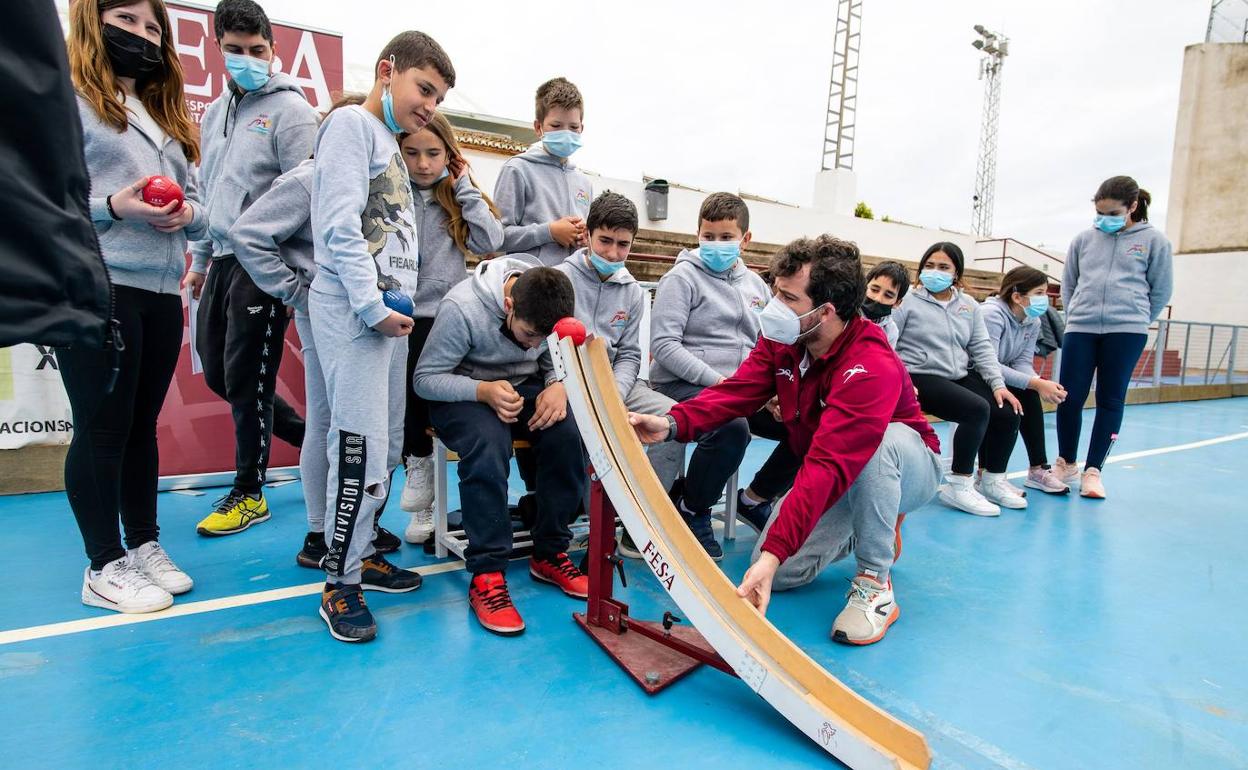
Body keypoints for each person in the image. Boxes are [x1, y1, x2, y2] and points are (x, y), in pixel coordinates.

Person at [630, 235, 942, 645]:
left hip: (908, 467)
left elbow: (826, 465)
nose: (772, 304)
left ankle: (874, 581)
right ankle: (873, 520)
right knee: (779, 571)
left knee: (878, 447)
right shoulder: (786, 336)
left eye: (787, 296)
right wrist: (672, 423)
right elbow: (739, 390)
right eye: (775, 290)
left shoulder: (870, 366)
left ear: (825, 311)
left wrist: (777, 550)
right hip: (843, 469)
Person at [309, 31, 456, 643]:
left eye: (439, 96)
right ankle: (338, 583)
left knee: (390, 443)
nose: (429, 104)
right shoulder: (349, 127)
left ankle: (364, 550)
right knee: (358, 448)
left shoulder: (389, 146)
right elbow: (337, 225)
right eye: (424, 88)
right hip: (356, 314)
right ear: (386, 71)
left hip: (385, 320)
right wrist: (369, 305)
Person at [63, 0, 206, 613]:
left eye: (152, 27)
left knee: (140, 427)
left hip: (157, 290)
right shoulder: (69, 104)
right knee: (101, 427)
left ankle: (142, 542)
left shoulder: (165, 117)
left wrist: (189, 214)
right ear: (94, 24)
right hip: (98, 284)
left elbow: (200, 204)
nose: (141, 36)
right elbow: (48, 198)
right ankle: (102, 564)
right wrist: (114, 206)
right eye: (126, 21)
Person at [227, 93, 403, 570]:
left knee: (338, 423)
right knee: (333, 425)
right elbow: (248, 234)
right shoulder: (311, 177)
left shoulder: (361, 180)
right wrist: (296, 291)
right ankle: (321, 531)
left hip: (345, 304)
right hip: (327, 306)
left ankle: (335, 533)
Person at [185, 0, 316, 537]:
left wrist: (292, 275)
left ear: (274, 49)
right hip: (220, 259)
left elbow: (309, 193)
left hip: (264, 261)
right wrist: (199, 260)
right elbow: (209, 192)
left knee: (246, 379)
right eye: (235, 50)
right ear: (219, 49)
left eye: (257, 50)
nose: (247, 59)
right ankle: (311, 441)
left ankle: (249, 491)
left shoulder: (293, 111)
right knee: (219, 372)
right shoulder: (215, 114)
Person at [413, 262, 588, 637]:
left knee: (567, 432)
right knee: (489, 442)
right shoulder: (462, 309)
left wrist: (558, 383)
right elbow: (425, 379)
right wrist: (482, 390)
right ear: (509, 304)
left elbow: (550, 361)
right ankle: (488, 573)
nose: (534, 345)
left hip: (519, 389)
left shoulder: (548, 309)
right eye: (528, 335)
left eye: (544, 338)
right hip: (462, 392)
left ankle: (550, 552)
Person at [395, 112, 504, 544]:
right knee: (403, 393)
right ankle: (418, 474)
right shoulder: (390, 193)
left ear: (450, 156)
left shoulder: (456, 196)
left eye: (434, 154)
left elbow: (490, 241)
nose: (423, 163)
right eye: (412, 153)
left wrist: (464, 187)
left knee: (429, 382)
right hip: (397, 311)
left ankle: (426, 481)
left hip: (446, 315)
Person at [648, 192, 776, 559]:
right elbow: (666, 347)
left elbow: (764, 345)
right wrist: (721, 383)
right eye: (708, 236)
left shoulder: (756, 286)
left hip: (741, 389)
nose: (716, 245)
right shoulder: (681, 278)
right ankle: (693, 509)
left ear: (745, 239)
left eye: (726, 237)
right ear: (697, 235)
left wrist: (771, 391)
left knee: (805, 423)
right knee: (732, 427)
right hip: (683, 384)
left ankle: (757, 498)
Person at [1056, 176, 1173, 499]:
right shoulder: (1083, 240)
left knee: (1110, 399)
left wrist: (1136, 319)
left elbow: (1161, 289)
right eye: (1099, 212)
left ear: (1132, 207)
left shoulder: (1154, 241)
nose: (1103, 219)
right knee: (1069, 396)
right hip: (1082, 327)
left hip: (1126, 331)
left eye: (1112, 213)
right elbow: (1069, 283)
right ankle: (1065, 463)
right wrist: (1077, 313)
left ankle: (1094, 471)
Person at [893, 242, 1023, 516]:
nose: (934, 272)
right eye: (929, 265)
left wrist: (998, 385)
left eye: (943, 267)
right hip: (918, 375)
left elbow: (982, 347)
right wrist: (901, 379)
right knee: (975, 409)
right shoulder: (907, 301)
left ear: (956, 273)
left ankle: (991, 480)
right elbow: (889, 343)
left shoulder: (969, 306)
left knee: (1008, 409)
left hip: (958, 374)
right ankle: (959, 484)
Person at [982, 267, 1070, 496]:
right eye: (1039, 292)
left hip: (1001, 374)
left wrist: (1037, 382)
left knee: (1030, 394)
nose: (1045, 299)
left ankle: (1038, 469)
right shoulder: (991, 314)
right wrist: (1035, 382)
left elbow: (1022, 362)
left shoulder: (1033, 320)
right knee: (1005, 407)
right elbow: (988, 362)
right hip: (978, 373)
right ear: (1017, 296)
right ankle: (987, 474)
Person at [493, 77, 592, 267]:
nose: (566, 132)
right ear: (538, 128)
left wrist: (585, 238)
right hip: (529, 283)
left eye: (573, 127)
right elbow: (497, 237)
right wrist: (549, 232)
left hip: (570, 286)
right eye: (556, 126)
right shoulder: (517, 169)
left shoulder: (584, 182)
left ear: (582, 128)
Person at [861, 260, 909, 349]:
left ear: (897, 303)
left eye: (888, 295)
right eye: (874, 290)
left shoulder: (891, 331)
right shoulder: (847, 314)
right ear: (864, 286)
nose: (878, 298)